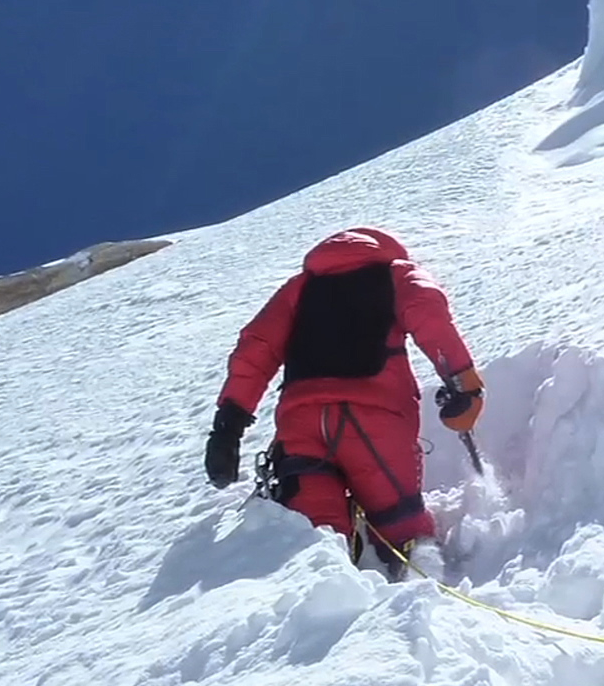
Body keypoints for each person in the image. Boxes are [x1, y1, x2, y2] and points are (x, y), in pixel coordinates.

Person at [203, 228, 483, 577]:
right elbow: (430, 316)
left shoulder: (299, 289)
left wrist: (227, 429)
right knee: (400, 520)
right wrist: (464, 385)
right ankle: (425, 595)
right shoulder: (398, 273)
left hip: (303, 424)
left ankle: (330, 594)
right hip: (375, 421)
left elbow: (255, 350)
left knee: (317, 534)